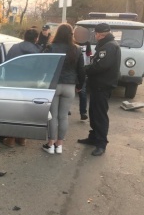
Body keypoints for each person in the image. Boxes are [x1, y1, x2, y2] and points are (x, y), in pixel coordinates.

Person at [77, 23, 121, 156]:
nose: (95, 36)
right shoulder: (108, 44)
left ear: (99, 34)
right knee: (94, 113)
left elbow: (101, 66)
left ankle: (101, 143)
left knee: (100, 115)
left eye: (96, 34)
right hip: (98, 86)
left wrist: (84, 70)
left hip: (102, 86)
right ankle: (93, 137)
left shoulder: (109, 46)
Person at [42, 23, 86, 154]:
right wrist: (79, 86)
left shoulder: (50, 47)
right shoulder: (77, 49)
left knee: (53, 116)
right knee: (63, 117)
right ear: (71, 34)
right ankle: (59, 145)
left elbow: (43, 66)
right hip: (70, 86)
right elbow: (81, 70)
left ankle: (50, 144)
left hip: (54, 85)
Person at [2, 28, 41, 147]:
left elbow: (6, 64)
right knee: (26, 110)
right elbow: (39, 70)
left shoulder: (14, 48)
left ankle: (11, 139)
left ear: (24, 37)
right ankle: (22, 138)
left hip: (13, 83)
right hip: (29, 85)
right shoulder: (38, 51)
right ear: (36, 38)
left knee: (13, 110)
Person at [77, 40, 92, 120]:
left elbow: (89, 55)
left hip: (83, 68)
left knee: (82, 92)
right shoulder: (72, 42)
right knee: (69, 92)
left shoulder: (87, 43)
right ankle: (67, 110)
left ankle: (83, 112)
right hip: (75, 69)